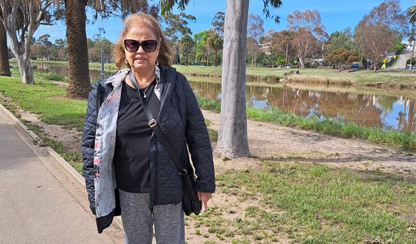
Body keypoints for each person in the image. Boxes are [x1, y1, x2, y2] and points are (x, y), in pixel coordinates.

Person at [81, 13, 215, 244]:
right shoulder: (106, 92)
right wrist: (95, 195)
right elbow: (90, 146)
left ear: (158, 47)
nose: (140, 50)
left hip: (169, 188)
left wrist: (205, 180)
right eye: (133, 44)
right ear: (124, 48)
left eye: (148, 44)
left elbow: (197, 134)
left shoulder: (176, 84)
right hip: (130, 190)